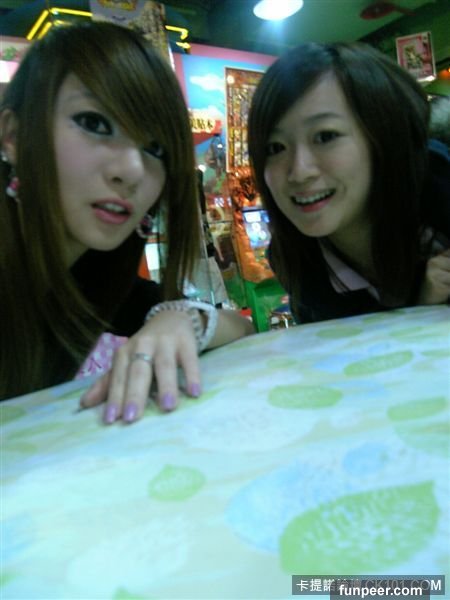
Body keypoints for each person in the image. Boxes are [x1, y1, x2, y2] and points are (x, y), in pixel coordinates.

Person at [0, 21, 253, 420]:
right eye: (95, 124)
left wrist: (184, 319)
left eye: (155, 148)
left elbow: (242, 328)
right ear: (13, 137)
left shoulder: (98, 277)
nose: (133, 171)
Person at [247, 42, 450, 324]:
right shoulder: (296, 261)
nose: (299, 172)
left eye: (325, 136)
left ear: (384, 137)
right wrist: (422, 306)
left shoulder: (439, 187)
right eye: (274, 148)